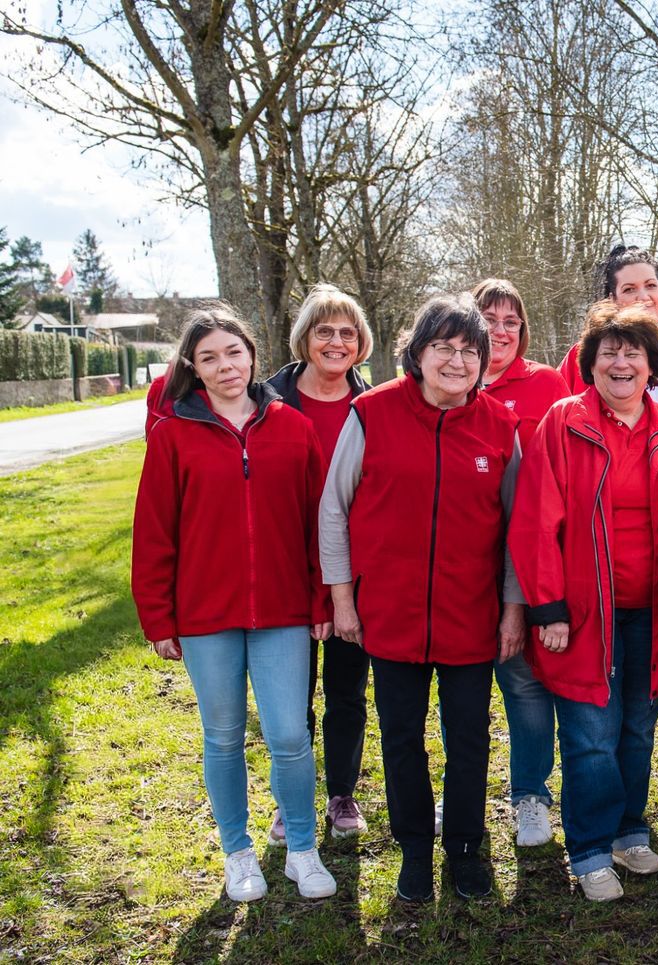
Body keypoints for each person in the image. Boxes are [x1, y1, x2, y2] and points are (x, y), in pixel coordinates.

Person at [318, 293, 525, 903]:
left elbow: (518, 527)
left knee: (469, 738)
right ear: (417, 353)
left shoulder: (500, 426)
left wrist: (513, 608)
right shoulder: (371, 412)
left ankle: (465, 849)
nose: (456, 361)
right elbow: (334, 510)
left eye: (469, 351)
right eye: (443, 347)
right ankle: (413, 850)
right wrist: (342, 600)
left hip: (471, 615)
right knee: (401, 735)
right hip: (390, 613)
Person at [132, 305, 337, 902]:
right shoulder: (173, 435)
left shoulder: (293, 428)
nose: (225, 366)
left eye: (233, 352)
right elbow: (154, 534)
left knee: (289, 735)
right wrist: (158, 618)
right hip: (204, 615)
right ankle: (238, 852)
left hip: (283, 611)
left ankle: (302, 849)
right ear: (194, 369)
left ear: (252, 354)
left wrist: (321, 599)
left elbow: (317, 523)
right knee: (222, 736)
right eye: (209, 358)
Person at [511, 301, 658, 902]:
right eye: (608, 352)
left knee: (638, 729)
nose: (620, 363)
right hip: (585, 612)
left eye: (633, 353)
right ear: (590, 364)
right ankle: (588, 849)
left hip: (654, 612)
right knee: (590, 732)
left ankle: (628, 830)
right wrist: (548, 607)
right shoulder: (565, 422)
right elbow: (536, 519)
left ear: (652, 366)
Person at [558, 245, 658, 799]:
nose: (642, 296)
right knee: (607, 708)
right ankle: (601, 819)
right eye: (628, 288)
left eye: (650, 285)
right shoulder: (583, 372)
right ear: (610, 296)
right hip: (598, 571)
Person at [264, 283, 373, 845]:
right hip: (285, 569)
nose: (336, 342)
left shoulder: (373, 405)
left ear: (361, 343)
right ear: (304, 338)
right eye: (324, 331)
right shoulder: (268, 404)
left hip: (355, 572)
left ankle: (341, 792)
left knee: (347, 691)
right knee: (292, 696)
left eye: (347, 333)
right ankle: (292, 799)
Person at [472, 277, 570, 848]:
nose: (500, 331)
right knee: (462, 688)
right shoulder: (449, 378)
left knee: (525, 680)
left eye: (511, 322)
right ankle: (462, 791)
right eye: (489, 319)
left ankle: (530, 794)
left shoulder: (546, 384)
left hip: (532, 556)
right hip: (465, 561)